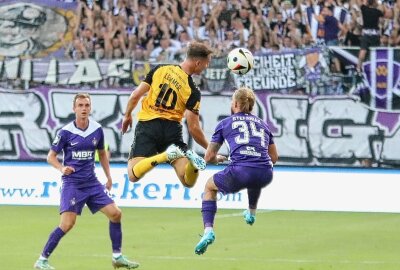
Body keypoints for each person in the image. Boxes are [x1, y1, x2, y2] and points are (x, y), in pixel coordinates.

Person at [34, 93, 138, 270]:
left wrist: (109, 176)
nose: (83, 108)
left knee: (116, 213)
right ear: (74, 109)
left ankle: (117, 257)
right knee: (67, 224)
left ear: (90, 108)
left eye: (86, 105)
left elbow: (102, 154)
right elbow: (50, 157)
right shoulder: (65, 132)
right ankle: (42, 260)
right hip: (72, 184)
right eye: (80, 105)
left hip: (92, 182)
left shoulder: (97, 129)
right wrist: (61, 168)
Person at [121, 41, 220, 188]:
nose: (207, 66)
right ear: (198, 63)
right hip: (172, 131)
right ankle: (191, 162)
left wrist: (127, 115)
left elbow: (135, 95)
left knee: (133, 174)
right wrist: (210, 150)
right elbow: (193, 128)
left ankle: (165, 155)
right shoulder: (193, 90)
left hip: (148, 126)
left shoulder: (160, 69)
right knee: (188, 180)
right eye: (207, 63)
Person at [194, 87, 278, 255]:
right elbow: (274, 157)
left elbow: (209, 156)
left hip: (240, 171)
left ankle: (208, 230)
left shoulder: (225, 123)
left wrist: (218, 159)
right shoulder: (263, 125)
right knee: (255, 175)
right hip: (266, 173)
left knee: (209, 188)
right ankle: (252, 211)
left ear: (236, 104)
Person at [356, 0, 391, 72]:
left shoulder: (364, 9)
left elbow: (360, 3)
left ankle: (358, 68)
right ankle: (376, 69)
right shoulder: (378, 12)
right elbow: (383, 21)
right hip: (375, 35)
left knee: (363, 51)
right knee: (375, 52)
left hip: (366, 34)